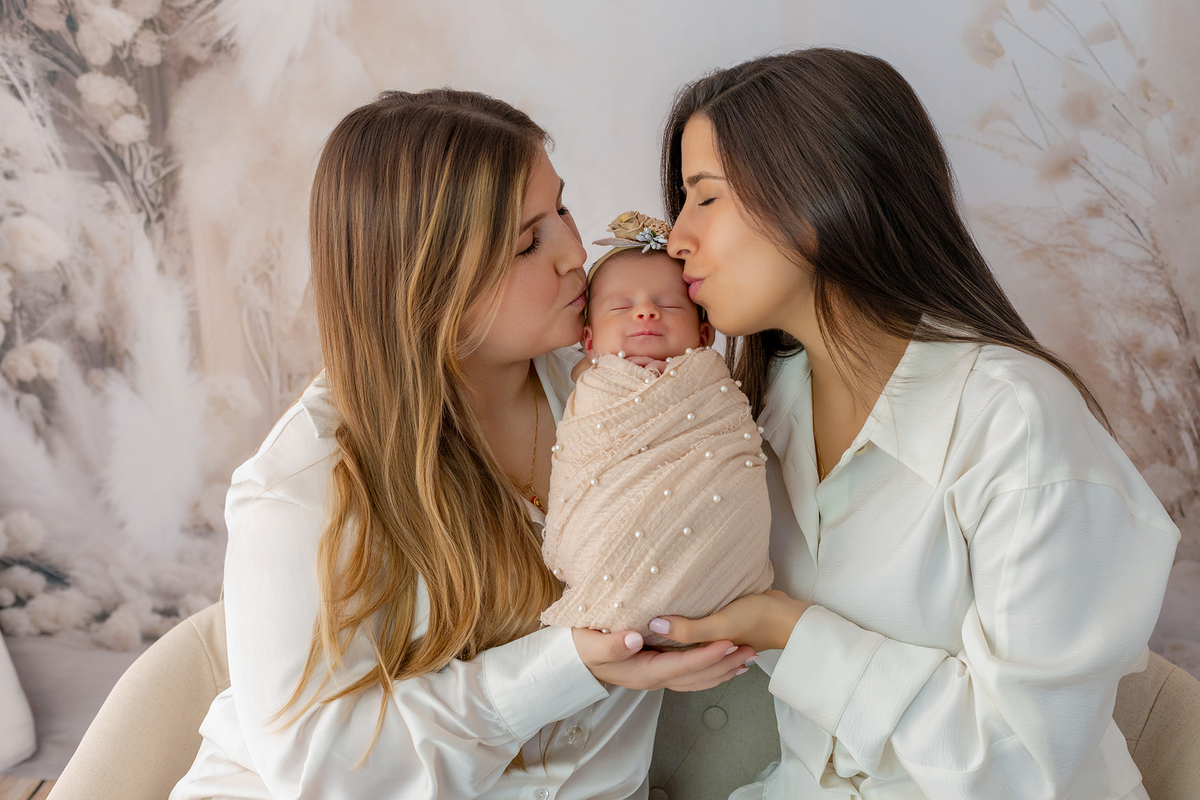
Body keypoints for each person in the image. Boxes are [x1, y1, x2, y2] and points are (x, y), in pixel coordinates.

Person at [169, 89, 754, 800]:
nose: (576, 253)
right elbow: (320, 768)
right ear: (427, 284)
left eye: (562, 209)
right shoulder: (304, 484)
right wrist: (569, 667)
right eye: (528, 242)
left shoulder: (624, 387)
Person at [649, 49, 1179, 800]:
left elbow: (1023, 767)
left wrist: (790, 630)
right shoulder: (759, 414)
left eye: (705, 197)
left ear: (815, 190)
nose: (676, 239)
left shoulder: (1014, 422)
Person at [540, 211, 773, 646]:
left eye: (667, 305)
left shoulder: (710, 386)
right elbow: (584, 459)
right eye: (622, 307)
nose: (645, 312)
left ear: (704, 335)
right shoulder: (591, 389)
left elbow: (733, 456)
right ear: (589, 342)